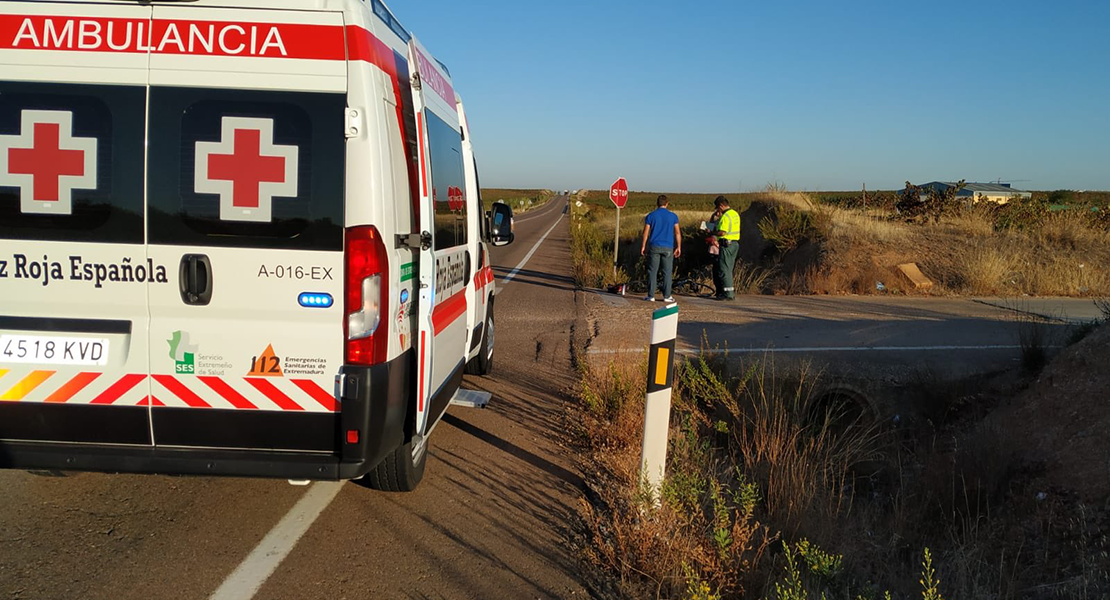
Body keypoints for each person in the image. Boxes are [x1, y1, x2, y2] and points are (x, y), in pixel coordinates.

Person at [640, 194, 681, 302]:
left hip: (654, 246)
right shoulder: (673, 216)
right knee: (667, 272)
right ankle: (667, 296)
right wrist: (679, 247)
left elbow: (645, 233)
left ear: (657, 204)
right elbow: (677, 233)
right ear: (667, 204)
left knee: (652, 271)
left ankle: (651, 295)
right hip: (668, 247)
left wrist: (643, 245)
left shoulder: (651, 216)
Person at [711, 195, 741, 300]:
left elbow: (723, 232)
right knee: (729, 269)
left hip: (726, 245)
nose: (717, 210)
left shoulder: (726, 216)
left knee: (724, 269)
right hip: (734, 244)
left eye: (717, 208)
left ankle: (728, 294)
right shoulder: (735, 214)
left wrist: (712, 232)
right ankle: (729, 292)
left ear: (721, 205)